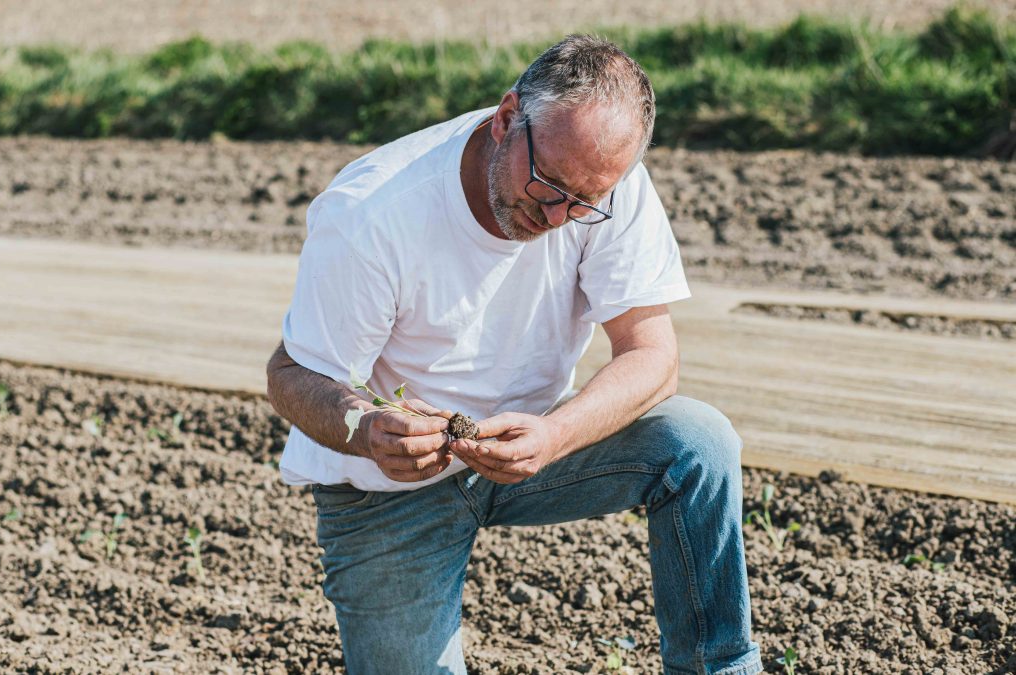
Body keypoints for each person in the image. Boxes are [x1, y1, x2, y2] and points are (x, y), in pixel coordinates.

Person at [266, 34, 762, 675]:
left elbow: (653, 357)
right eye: (548, 184)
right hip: (387, 489)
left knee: (698, 443)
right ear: (506, 119)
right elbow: (291, 374)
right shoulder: (373, 214)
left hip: (529, 447)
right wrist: (366, 429)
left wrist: (554, 435)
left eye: (584, 203)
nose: (558, 216)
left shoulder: (606, 187)